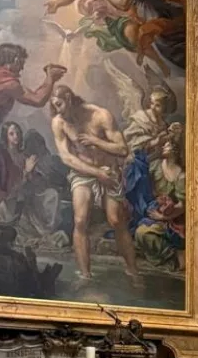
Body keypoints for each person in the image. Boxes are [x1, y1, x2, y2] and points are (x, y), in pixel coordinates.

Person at [50, 85, 140, 285]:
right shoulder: (59, 123)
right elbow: (67, 158)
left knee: (116, 220)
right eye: (54, 106)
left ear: (70, 99)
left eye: (60, 105)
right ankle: (85, 274)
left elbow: (123, 149)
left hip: (108, 170)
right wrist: (96, 173)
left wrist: (96, 141)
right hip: (83, 172)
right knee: (80, 220)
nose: (58, 110)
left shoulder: (100, 115)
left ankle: (133, 271)